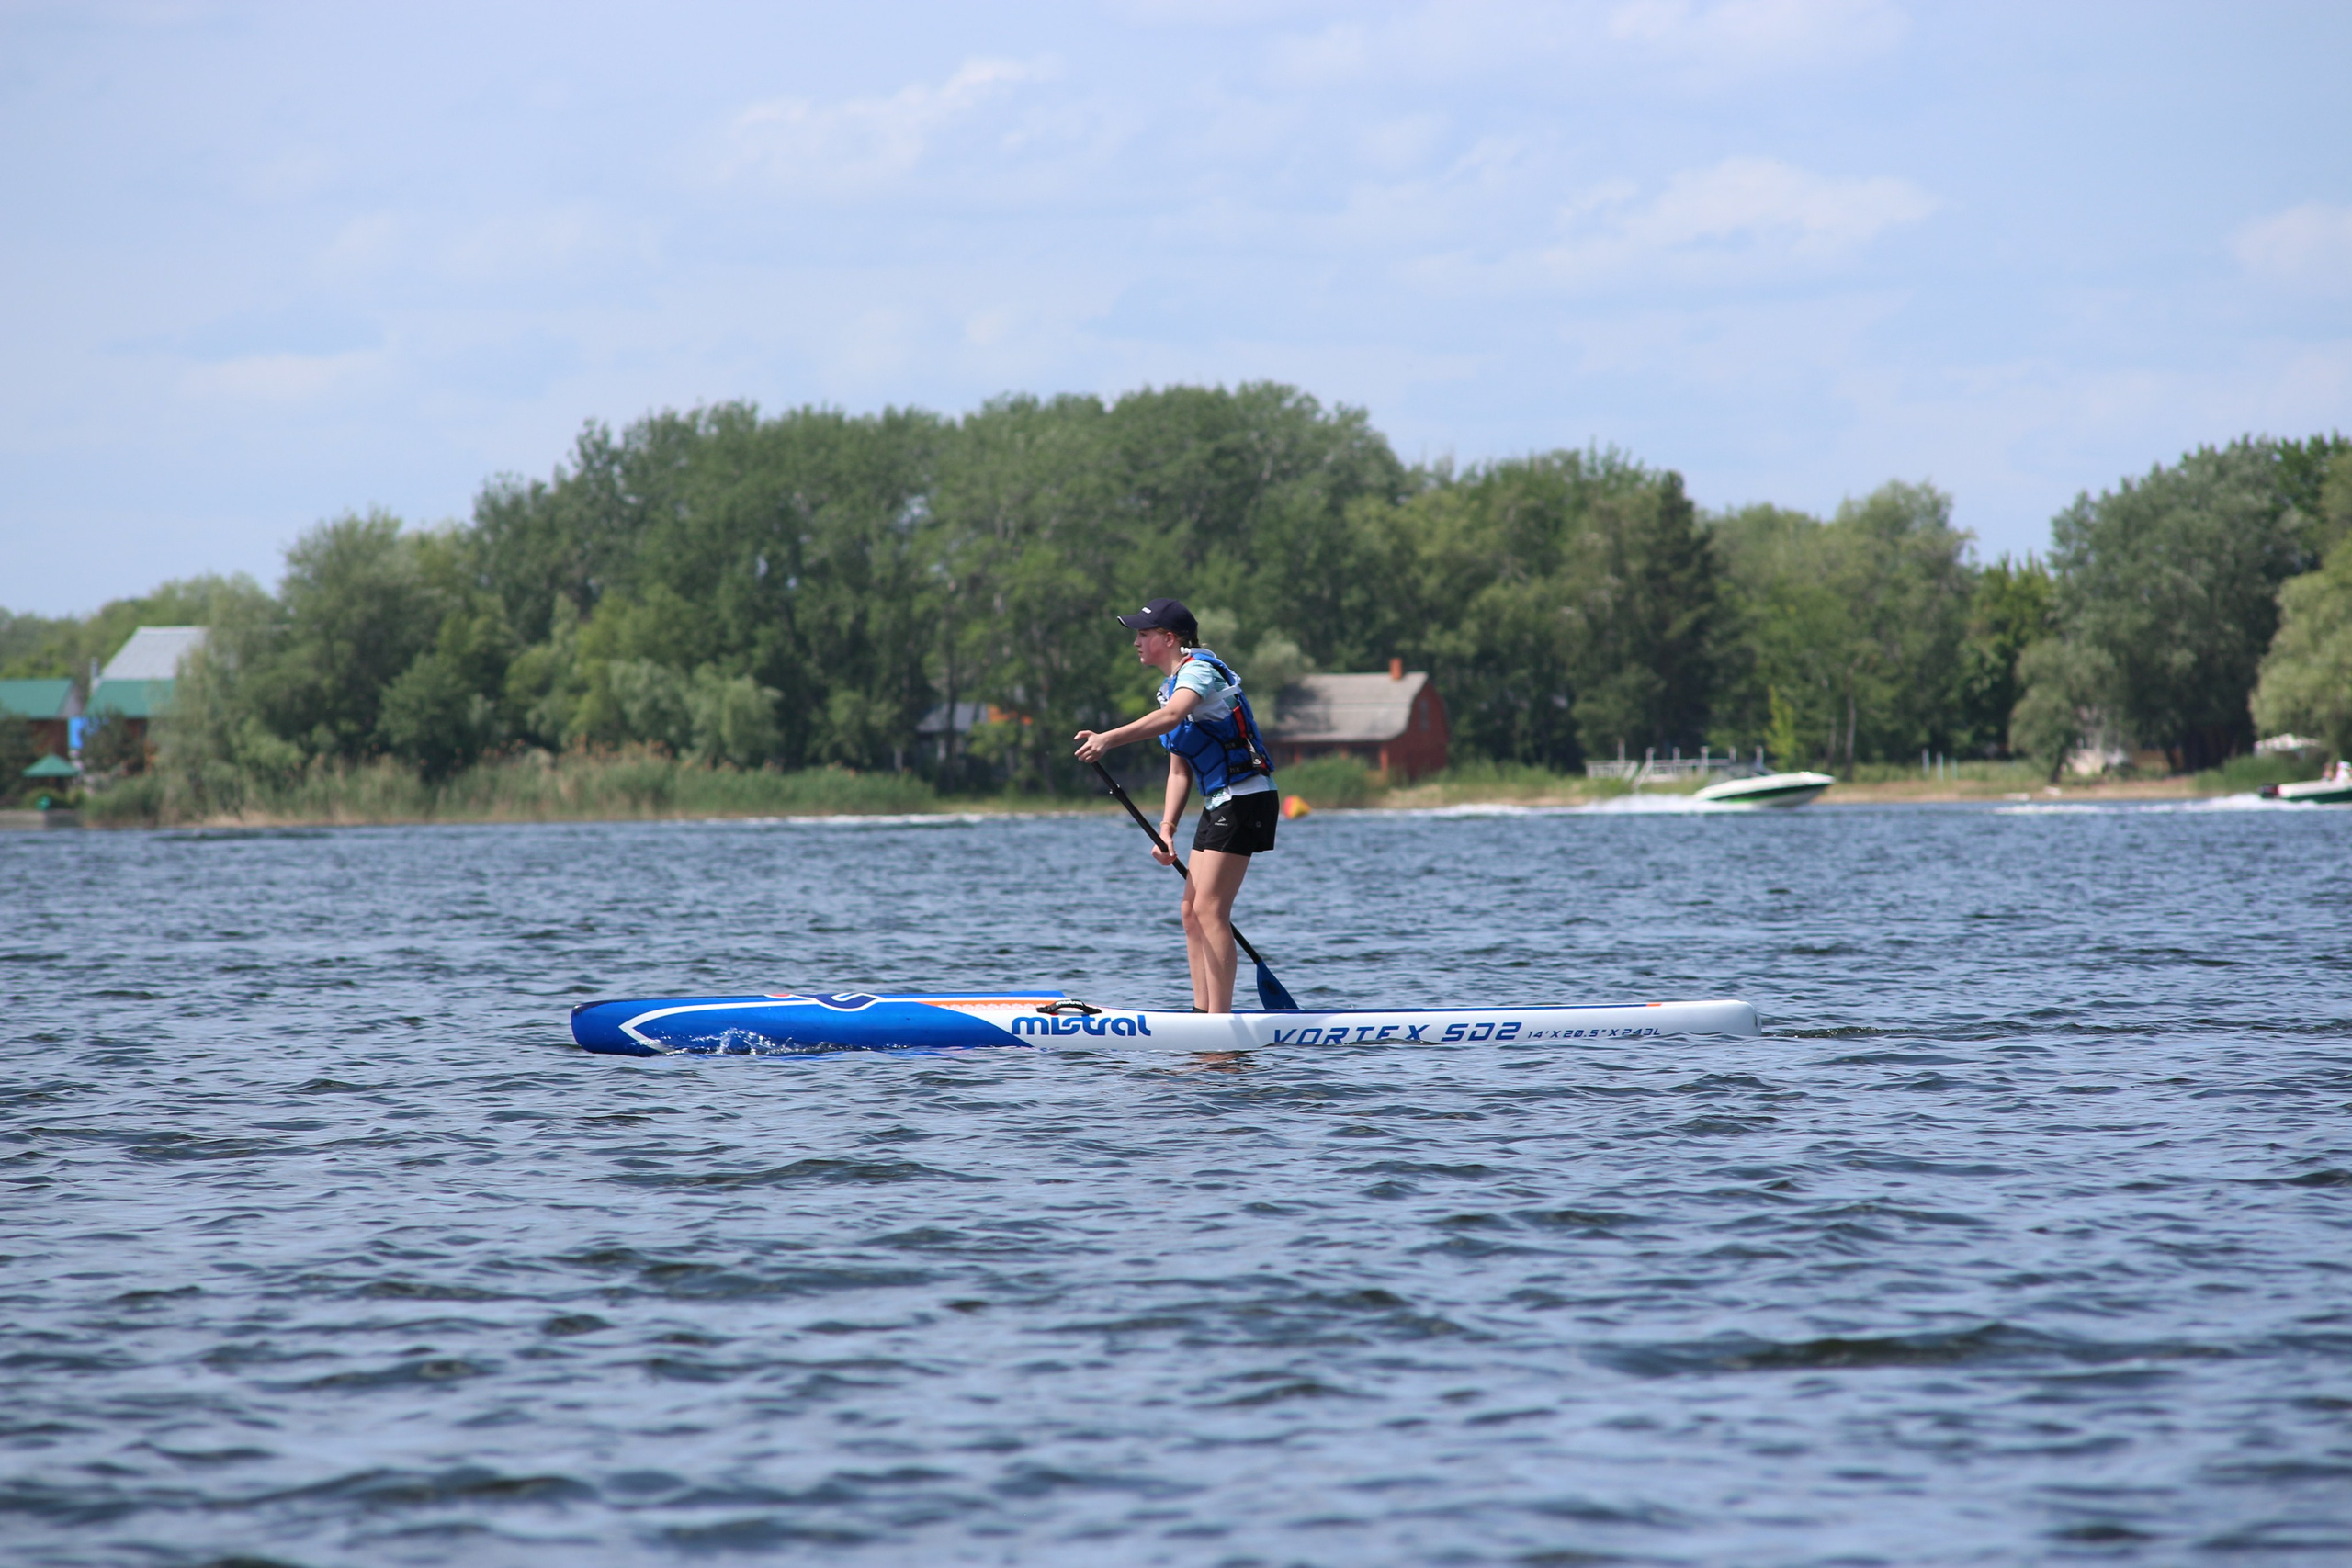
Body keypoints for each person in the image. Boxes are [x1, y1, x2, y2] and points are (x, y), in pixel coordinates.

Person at [1072, 599, 1279, 1013]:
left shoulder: (1198, 672)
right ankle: (1201, 1014)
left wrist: (1108, 738)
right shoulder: (1170, 688)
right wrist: (1167, 828)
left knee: (1210, 909)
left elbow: (1171, 718)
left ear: (1169, 639)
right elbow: (1179, 771)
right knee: (1190, 911)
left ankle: (1219, 1021)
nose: (1136, 642)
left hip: (1246, 798)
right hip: (1220, 801)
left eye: (1143, 634)